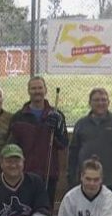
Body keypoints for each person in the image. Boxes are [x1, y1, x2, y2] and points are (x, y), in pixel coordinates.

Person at [7, 75, 68, 203]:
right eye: (33, 88)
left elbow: (63, 143)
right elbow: (11, 147)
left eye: (40, 88)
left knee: (46, 208)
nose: (37, 91)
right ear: (28, 91)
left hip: (48, 172)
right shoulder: (19, 117)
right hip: (25, 172)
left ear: (45, 90)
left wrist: (57, 130)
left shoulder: (57, 115)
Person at [68, 87, 112, 197]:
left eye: (104, 100)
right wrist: (71, 177)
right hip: (87, 180)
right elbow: (73, 152)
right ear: (90, 103)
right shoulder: (81, 123)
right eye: (97, 100)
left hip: (111, 180)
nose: (100, 103)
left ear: (108, 102)